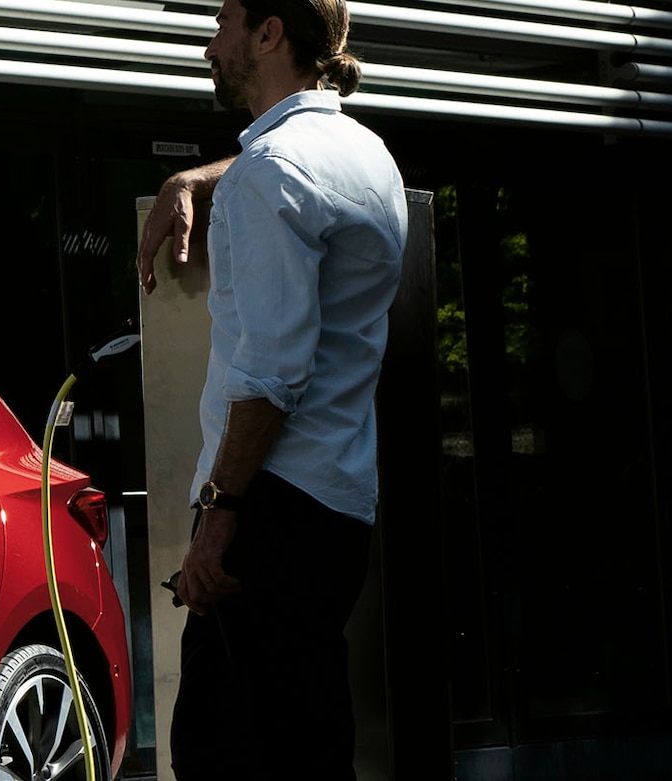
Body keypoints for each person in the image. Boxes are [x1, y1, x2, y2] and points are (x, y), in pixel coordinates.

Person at [150, 0, 405, 777]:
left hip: (266, 510)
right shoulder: (367, 156)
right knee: (304, 743)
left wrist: (218, 520)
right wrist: (201, 174)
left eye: (224, 22)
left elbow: (269, 377)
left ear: (269, 34)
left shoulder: (273, 172)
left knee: (224, 754)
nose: (208, 46)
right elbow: (289, 164)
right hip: (335, 507)